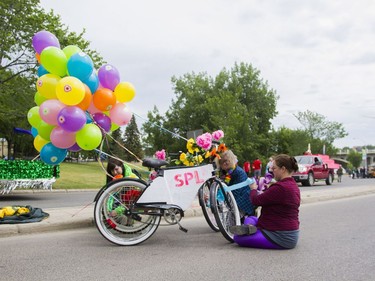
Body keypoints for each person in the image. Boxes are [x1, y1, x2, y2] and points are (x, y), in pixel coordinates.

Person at [230, 154, 300, 249]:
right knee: (251, 218)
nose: (271, 171)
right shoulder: (292, 185)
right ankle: (249, 229)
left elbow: (256, 200)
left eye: (274, 168)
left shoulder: (280, 187)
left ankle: (249, 230)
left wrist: (253, 189)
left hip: (280, 237)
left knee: (237, 238)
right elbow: (272, 198)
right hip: (289, 232)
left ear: (283, 169)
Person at [217, 150, 255, 216]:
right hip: (237, 202)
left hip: (243, 203)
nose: (225, 163)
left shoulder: (238, 172)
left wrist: (220, 197)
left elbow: (236, 191)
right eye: (222, 162)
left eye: (226, 160)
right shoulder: (229, 172)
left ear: (231, 160)